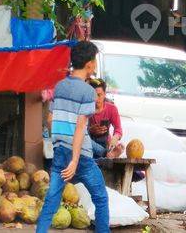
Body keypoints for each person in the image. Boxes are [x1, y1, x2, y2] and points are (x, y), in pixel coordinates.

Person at [37, 41, 110, 233]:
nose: (95, 64)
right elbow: (79, 128)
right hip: (81, 156)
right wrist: (75, 159)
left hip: (60, 152)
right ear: (88, 64)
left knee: (51, 202)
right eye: (94, 61)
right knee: (101, 198)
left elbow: (50, 119)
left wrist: (59, 143)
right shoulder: (88, 92)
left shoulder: (59, 86)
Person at [88, 78, 124, 159]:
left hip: (105, 143)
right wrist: (90, 130)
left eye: (99, 95)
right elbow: (79, 131)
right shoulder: (85, 108)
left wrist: (115, 138)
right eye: (93, 95)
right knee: (83, 139)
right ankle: (106, 154)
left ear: (104, 94)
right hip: (89, 144)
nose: (96, 99)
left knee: (121, 146)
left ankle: (108, 153)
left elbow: (118, 129)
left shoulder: (112, 108)